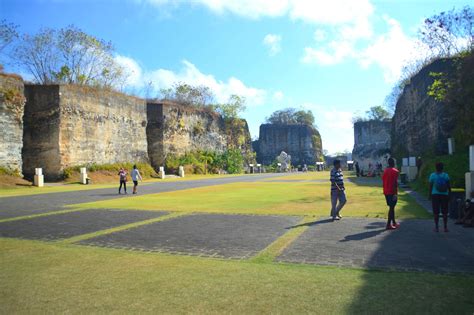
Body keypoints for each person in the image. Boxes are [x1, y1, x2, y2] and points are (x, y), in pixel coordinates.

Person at [429, 162, 451, 232]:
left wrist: (429, 195)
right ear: (442, 168)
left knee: (436, 212)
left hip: (435, 194)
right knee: (445, 212)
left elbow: (430, 186)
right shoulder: (446, 175)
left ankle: (436, 227)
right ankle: (445, 227)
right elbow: (449, 186)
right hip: (444, 194)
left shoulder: (432, 175)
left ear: (436, 168)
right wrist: (449, 194)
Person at [382, 158, 400, 230]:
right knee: (392, 208)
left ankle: (394, 222)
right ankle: (388, 224)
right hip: (392, 191)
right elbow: (395, 183)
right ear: (393, 163)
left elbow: (383, 180)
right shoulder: (395, 171)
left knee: (391, 207)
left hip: (386, 191)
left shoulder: (385, 171)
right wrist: (395, 193)